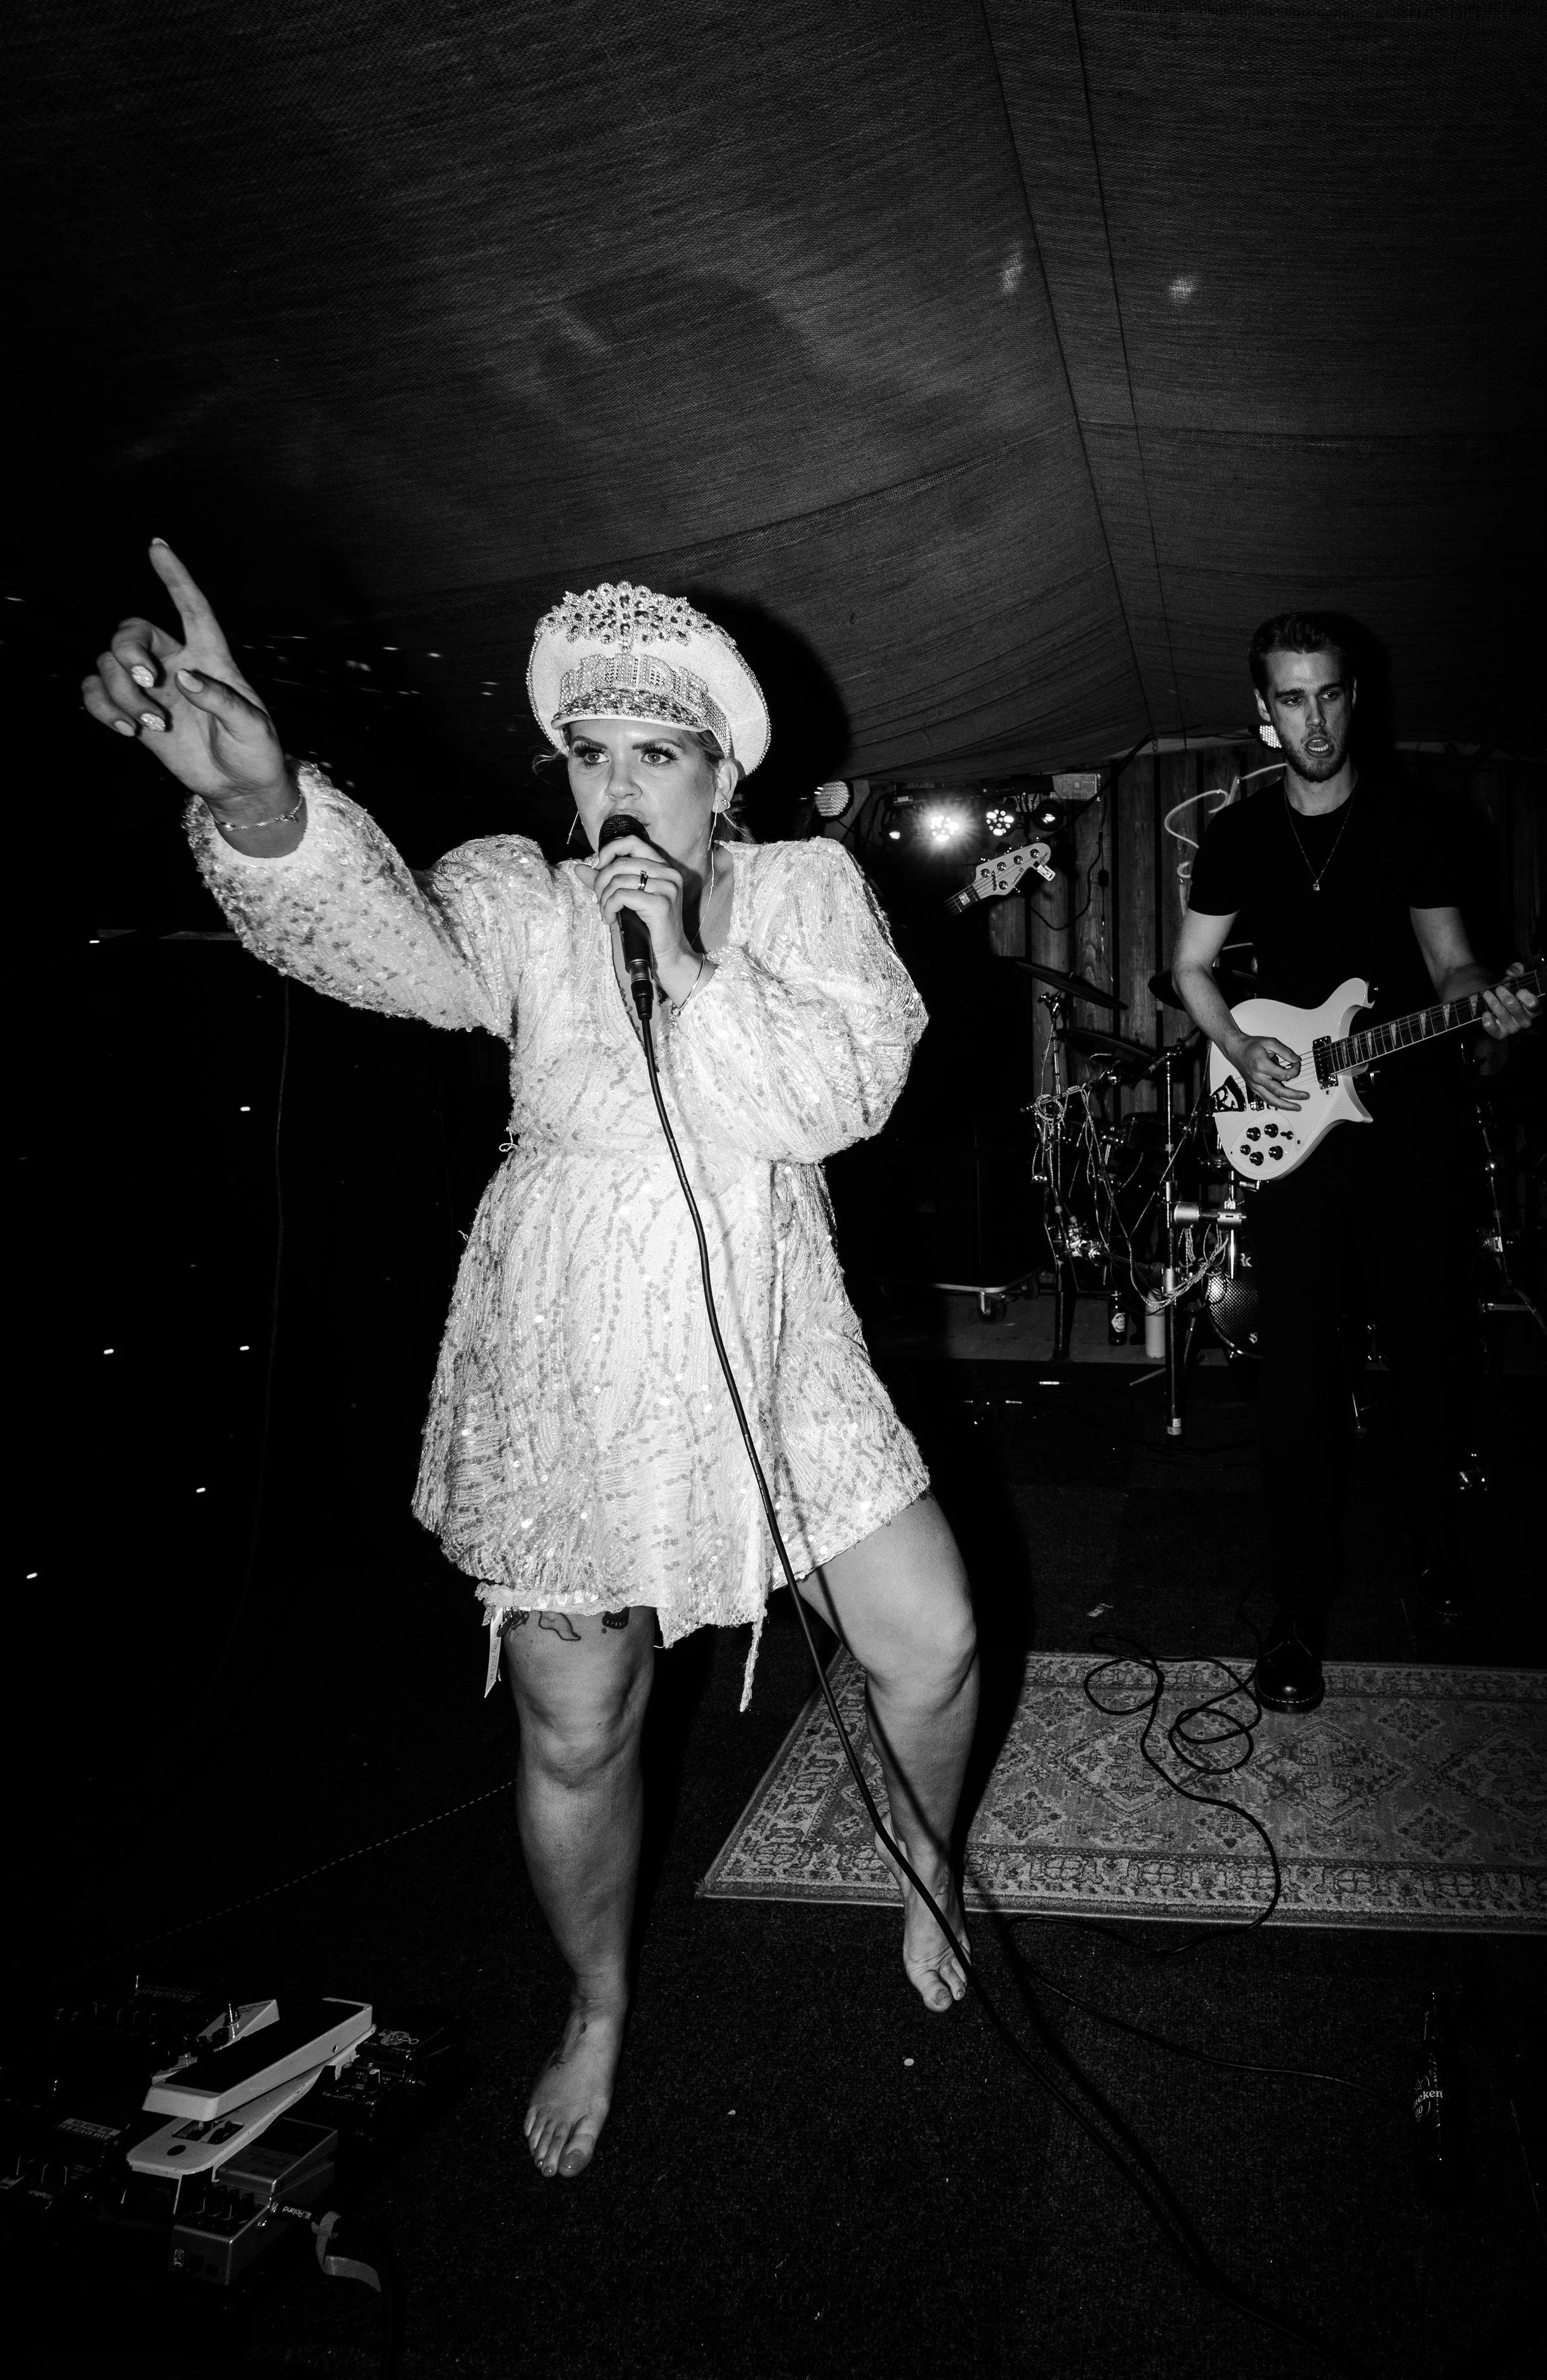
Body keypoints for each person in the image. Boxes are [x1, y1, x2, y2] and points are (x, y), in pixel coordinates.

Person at [82, 545, 979, 2179]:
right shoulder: (521, 899)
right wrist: (271, 799)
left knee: (930, 1642)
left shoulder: (795, 898)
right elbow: (380, 944)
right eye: (593, 754)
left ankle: (924, 1855)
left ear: (723, 770)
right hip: (572, 1345)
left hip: (775, 1336)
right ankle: (596, 1999)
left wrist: (697, 969)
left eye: (658, 751)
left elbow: (837, 1097)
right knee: (578, 1725)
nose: (621, 787)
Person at [1171, 612, 1536, 1716]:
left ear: (1355, 698)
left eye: (1329, 694)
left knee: (1429, 1351)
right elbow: (1190, 970)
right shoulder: (1237, 835)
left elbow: (1452, 959)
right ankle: (1297, 1610)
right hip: (1296, 1137)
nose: (1314, 718)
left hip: (1407, 1124)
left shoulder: (1420, 822)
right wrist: (1239, 1045)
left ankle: (1433, 1539)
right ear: (1264, 713)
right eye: (1292, 699)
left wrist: (1493, 1002)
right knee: (1294, 1379)